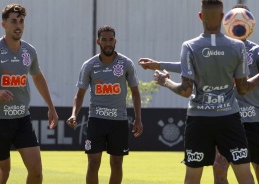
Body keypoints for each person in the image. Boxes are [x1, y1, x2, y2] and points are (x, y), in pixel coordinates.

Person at [139, 4, 259, 184]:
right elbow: (240, 87)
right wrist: (159, 64)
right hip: (229, 118)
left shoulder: (193, 46)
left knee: (197, 178)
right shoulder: (232, 47)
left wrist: (165, 80)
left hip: (223, 119)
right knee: (232, 171)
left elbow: (187, 85)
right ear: (223, 19)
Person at [0, 4, 58, 184]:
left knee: (36, 170)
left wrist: (51, 107)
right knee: (1, 174)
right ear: (3, 24)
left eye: (21, 21)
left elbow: (37, 77)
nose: (18, 25)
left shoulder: (29, 51)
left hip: (22, 119)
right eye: (13, 21)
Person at [66, 25, 143, 184]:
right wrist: (74, 114)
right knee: (93, 163)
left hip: (119, 121)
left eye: (110, 40)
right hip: (96, 120)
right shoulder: (89, 65)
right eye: (104, 40)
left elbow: (135, 92)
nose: (108, 43)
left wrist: (138, 118)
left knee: (116, 163)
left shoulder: (126, 64)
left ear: (115, 41)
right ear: (98, 41)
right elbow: (80, 95)